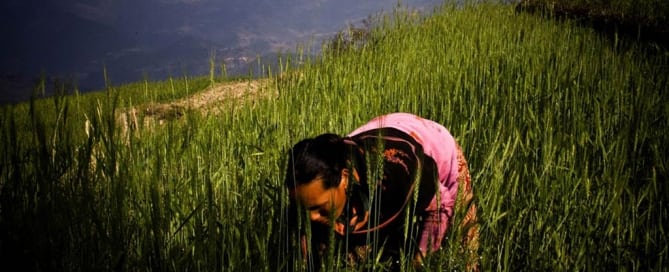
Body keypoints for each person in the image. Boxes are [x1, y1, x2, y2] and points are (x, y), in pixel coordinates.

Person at [285, 112, 479, 270]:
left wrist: (419, 260)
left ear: (344, 178)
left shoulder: (398, 176)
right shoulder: (321, 176)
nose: (310, 217)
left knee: (465, 241)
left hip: (431, 142)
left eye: (319, 208)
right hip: (380, 130)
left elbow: (441, 203)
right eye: (304, 210)